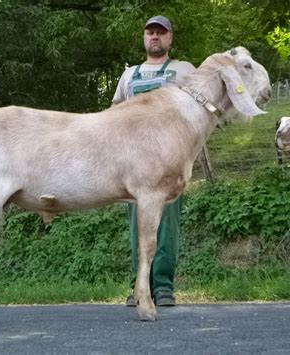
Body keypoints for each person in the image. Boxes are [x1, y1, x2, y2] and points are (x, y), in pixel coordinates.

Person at [112, 15, 195, 307]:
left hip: (169, 164)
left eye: (161, 32)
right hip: (134, 167)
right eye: (150, 33)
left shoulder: (184, 71)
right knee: (139, 228)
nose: (155, 37)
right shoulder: (128, 76)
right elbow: (113, 116)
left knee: (166, 226)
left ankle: (163, 287)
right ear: (144, 38)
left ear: (170, 38)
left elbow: (199, 111)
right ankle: (140, 286)